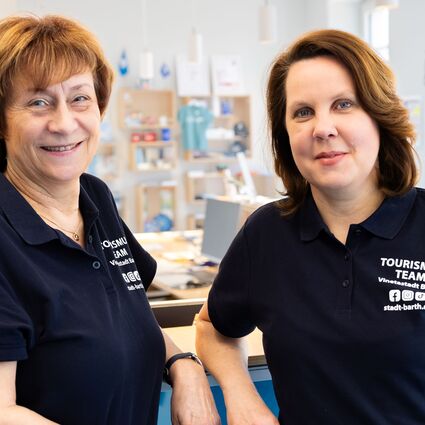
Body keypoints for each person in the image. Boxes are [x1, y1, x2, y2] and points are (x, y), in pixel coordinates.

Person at [196, 28, 424, 425]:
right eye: (303, 112)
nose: (323, 128)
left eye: (343, 104)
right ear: (285, 134)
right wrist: (241, 396)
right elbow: (211, 327)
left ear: (379, 116)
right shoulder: (266, 233)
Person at [0, 14, 220, 425]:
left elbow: (129, 316)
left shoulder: (94, 196)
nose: (64, 123)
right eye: (38, 102)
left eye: (79, 99)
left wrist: (183, 364)